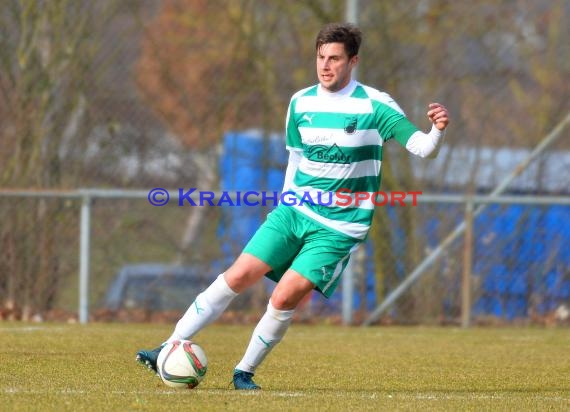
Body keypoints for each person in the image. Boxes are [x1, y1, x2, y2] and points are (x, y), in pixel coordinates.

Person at [136, 22, 450, 390]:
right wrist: (285, 203)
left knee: (285, 294)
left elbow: (422, 148)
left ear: (353, 61)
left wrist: (437, 129)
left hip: (340, 226)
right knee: (237, 275)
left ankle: (244, 373)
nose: (325, 66)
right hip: (294, 211)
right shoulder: (301, 102)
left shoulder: (375, 105)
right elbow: (296, 160)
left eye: (335, 58)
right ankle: (168, 346)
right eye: (320, 57)